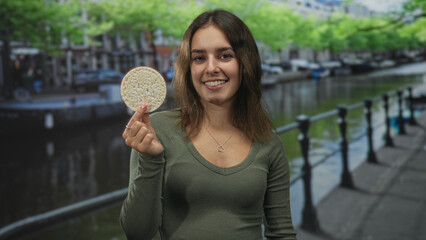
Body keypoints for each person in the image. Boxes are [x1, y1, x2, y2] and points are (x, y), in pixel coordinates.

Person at [120, 9, 297, 240]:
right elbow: (137, 233)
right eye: (199, 58)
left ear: (245, 63)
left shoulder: (269, 143)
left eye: (225, 55)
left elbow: (282, 233)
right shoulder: (156, 131)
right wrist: (150, 160)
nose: (211, 68)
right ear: (189, 67)